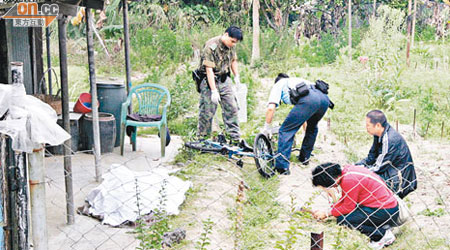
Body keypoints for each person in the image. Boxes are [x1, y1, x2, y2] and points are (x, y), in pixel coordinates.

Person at [312, 163, 399, 250]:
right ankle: (379, 225)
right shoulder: (348, 170)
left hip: (384, 210)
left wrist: (327, 213)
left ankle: (381, 235)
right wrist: (330, 210)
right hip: (386, 207)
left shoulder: (349, 180)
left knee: (344, 220)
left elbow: (348, 207)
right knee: (347, 216)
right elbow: (347, 199)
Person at [262, 73, 332, 175]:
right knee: (312, 128)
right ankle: (304, 158)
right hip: (325, 100)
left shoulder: (278, 84)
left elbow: (270, 108)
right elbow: (304, 114)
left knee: (285, 130)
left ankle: (282, 168)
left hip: (310, 100)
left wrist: (266, 128)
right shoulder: (297, 81)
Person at [196, 26, 246, 146]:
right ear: (225, 35)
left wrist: (236, 77)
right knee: (207, 110)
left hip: (224, 79)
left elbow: (233, 60)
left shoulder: (231, 46)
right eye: (232, 41)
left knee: (232, 107)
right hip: (209, 80)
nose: (233, 44)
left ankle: (234, 138)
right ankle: (202, 139)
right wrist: (213, 91)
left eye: (236, 42)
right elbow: (209, 70)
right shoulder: (211, 46)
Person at [356, 110, 417, 199]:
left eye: (368, 125)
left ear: (377, 125)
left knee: (364, 182)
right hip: (388, 171)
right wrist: (356, 166)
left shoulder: (390, 139)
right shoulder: (378, 134)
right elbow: (371, 157)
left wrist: (361, 172)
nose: (366, 128)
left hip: (399, 177)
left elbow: (380, 167)